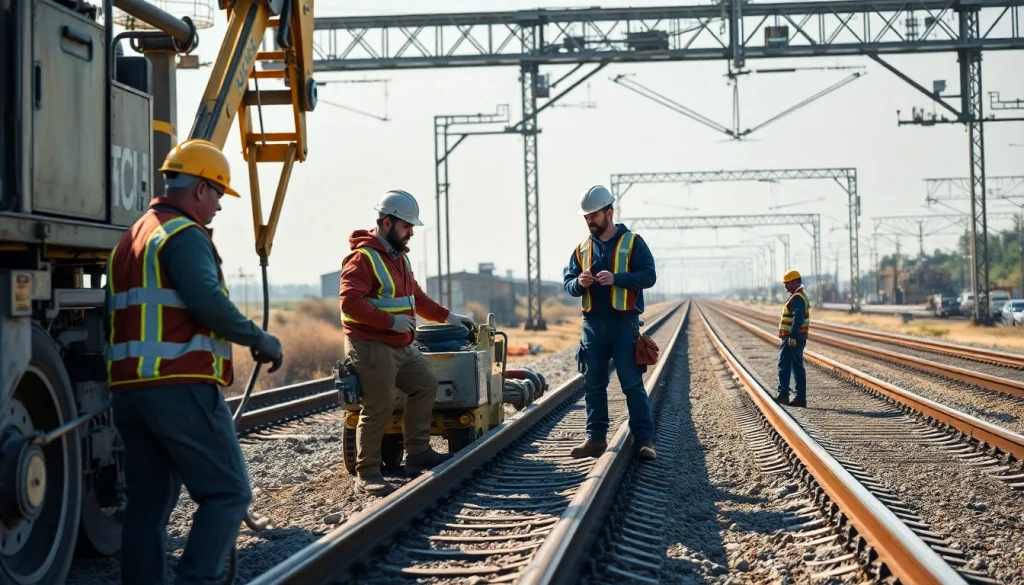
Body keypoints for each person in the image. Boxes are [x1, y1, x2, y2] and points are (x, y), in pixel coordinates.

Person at [104, 138, 284, 585]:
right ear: (201, 187)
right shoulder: (182, 235)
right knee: (228, 493)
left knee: (146, 508)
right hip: (178, 386)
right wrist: (260, 339)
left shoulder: (131, 238)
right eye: (219, 193)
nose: (220, 206)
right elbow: (207, 302)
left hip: (129, 393)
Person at [339, 190, 476, 496]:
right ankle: (367, 473)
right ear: (387, 223)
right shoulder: (363, 259)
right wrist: (389, 322)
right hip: (371, 344)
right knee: (379, 406)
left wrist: (448, 316)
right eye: (406, 226)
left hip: (401, 344)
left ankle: (418, 453)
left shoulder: (399, 257)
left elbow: (417, 297)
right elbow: (350, 302)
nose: (411, 232)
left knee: (425, 384)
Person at [562, 185, 658, 462]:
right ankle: (595, 439)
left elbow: (649, 276)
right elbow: (567, 283)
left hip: (624, 324)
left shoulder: (633, 242)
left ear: (609, 212)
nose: (589, 221)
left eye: (593, 215)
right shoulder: (581, 249)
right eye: (586, 217)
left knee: (632, 384)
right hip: (592, 327)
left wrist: (618, 279)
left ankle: (644, 440)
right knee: (593, 385)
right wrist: (578, 284)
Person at [775, 269, 810, 407]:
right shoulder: (800, 296)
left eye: (787, 283)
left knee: (784, 365)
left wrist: (792, 336)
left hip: (793, 337)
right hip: (797, 336)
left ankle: (783, 395)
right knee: (796, 366)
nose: (785, 286)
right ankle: (800, 397)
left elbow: (798, 318)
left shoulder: (797, 298)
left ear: (795, 282)